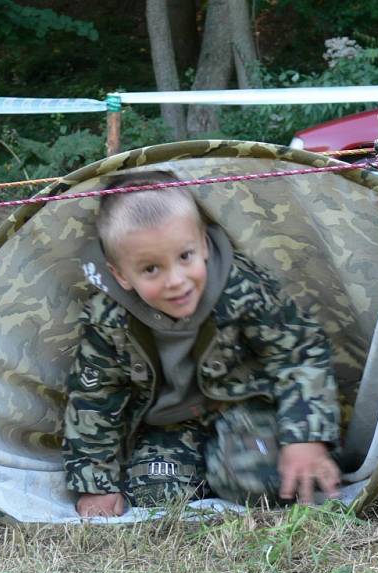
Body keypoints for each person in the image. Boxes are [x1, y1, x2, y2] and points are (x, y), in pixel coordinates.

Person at [62, 172, 342, 517]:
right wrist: (96, 485)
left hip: (244, 410)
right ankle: (201, 471)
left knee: (270, 481)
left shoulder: (243, 287)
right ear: (121, 275)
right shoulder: (108, 317)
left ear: (204, 245)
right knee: (154, 494)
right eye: (151, 269)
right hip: (169, 424)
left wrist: (305, 435)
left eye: (185, 256)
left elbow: (299, 350)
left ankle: (230, 467)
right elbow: (94, 397)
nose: (176, 281)